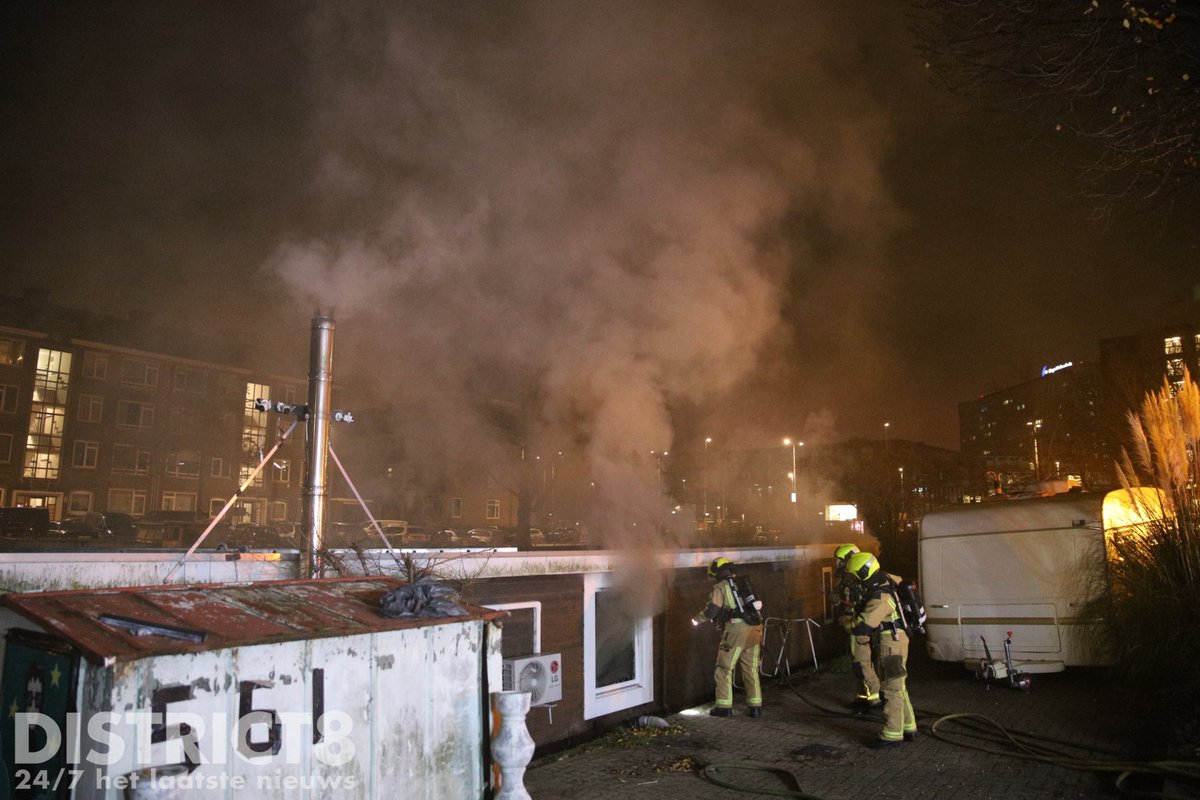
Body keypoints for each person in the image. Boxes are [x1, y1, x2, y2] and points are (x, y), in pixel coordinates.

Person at [845, 551, 917, 747]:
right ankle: (908, 727)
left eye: (856, 576)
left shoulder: (880, 598)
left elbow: (864, 627)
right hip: (898, 639)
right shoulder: (888, 579)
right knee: (899, 686)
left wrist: (849, 623)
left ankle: (892, 733)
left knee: (891, 688)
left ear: (863, 573)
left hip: (890, 645)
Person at [692, 556, 764, 718]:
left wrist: (697, 619)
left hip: (736, 630)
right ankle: (755, 707)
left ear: (716, 573)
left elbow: (712, 611)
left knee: (724, 669)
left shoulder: (720, 587)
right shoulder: (743, 584)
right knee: (751, 669)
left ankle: (723, 708)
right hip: (755, 628)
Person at [833, 543, 881, 709]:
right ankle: (863, 696)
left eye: (840, 561)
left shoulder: (855, 581)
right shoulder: (852, 579)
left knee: (862, 662)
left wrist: (848, 620)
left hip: (859, 627)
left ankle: (875, 698)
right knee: (859, 662)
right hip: (857, 625)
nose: (837, 565)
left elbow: (856, 605)